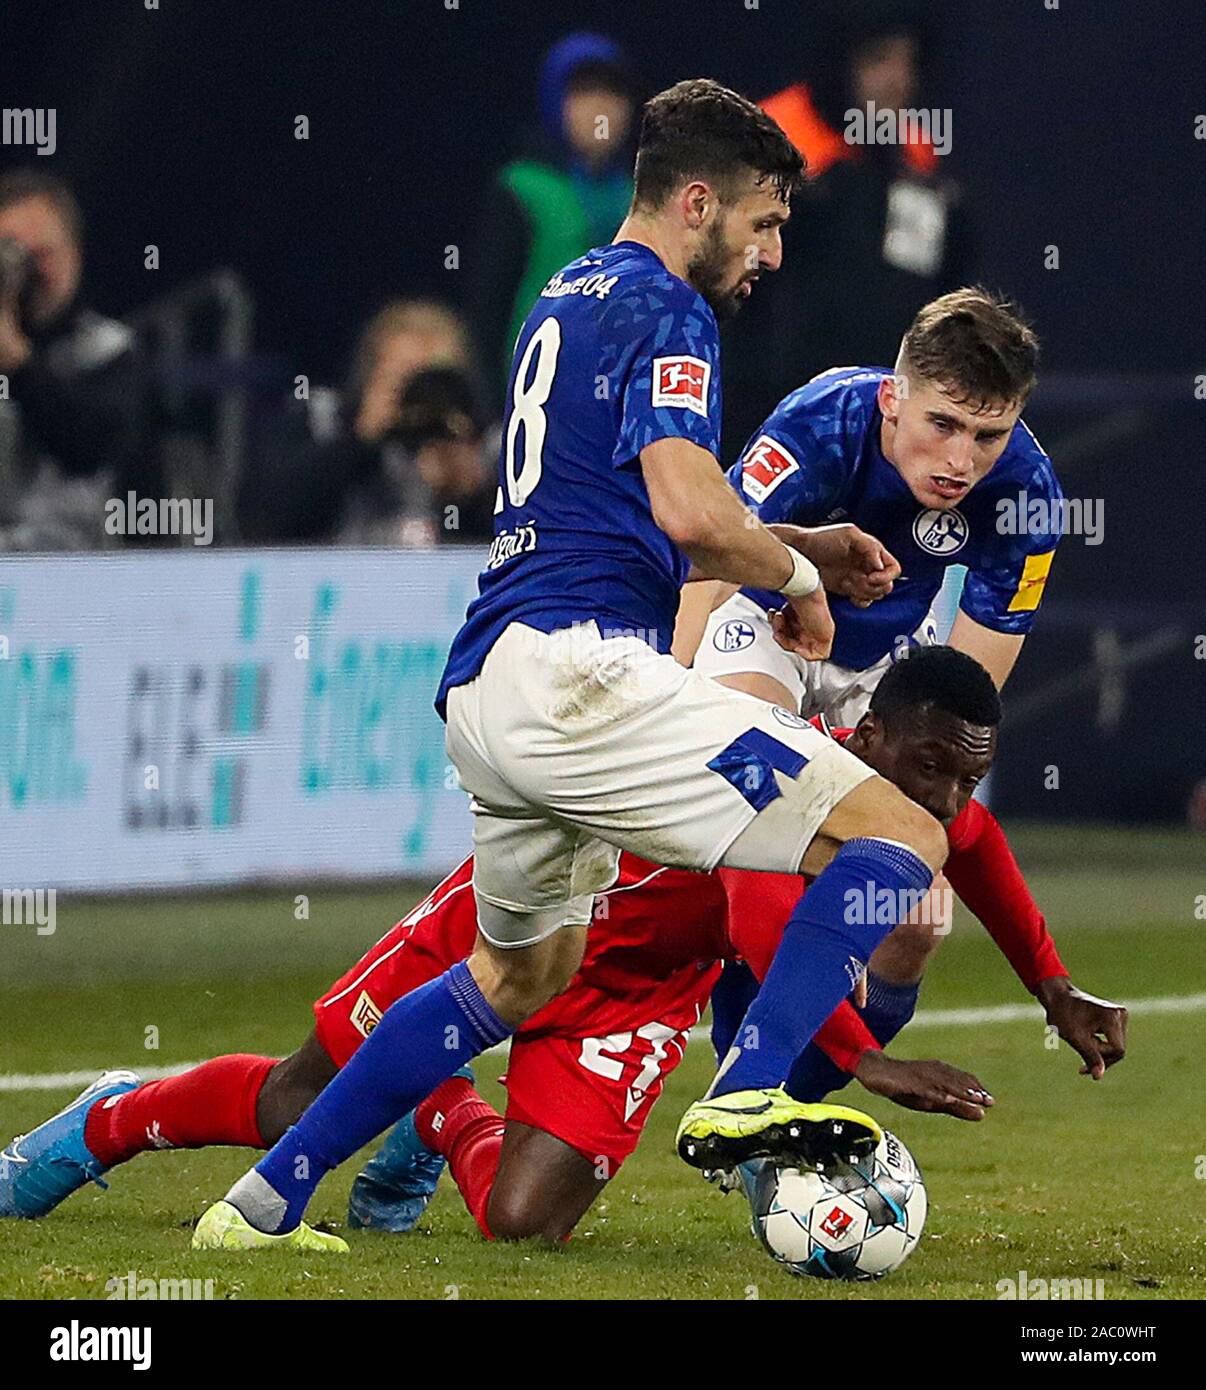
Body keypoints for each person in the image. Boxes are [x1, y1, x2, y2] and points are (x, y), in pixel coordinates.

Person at [192, 76, 965, 1254]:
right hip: (583, 679)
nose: (766, 257)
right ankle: (753, 1085)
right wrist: (797, 582)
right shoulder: (670, 305)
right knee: (908, 840)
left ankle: (263, 1204)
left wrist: (800, 541)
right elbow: (692, 511)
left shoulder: (568, 290)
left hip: (490, 685)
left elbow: (628, 507)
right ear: (697, 204)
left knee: (521, 977)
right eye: (761, 225)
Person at [0, 649, 1127, 1245]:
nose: (948, 795)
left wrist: (1055, 984)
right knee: (299, 1102)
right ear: (867, 736)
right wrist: (868, 1061)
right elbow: (755, 918)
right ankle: (108, 1118)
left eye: (968, 774)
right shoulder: (789, 769)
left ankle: (447, 1113)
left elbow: (975, 849)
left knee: (524, 1222)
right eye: (932, 767)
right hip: (534, 917)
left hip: (633, 994)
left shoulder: (912, 805)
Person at [688, 288, 1060, 723]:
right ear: (891, 400)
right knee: (757, 762)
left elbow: (975, 674)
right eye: (943, 424)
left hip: (890, 649)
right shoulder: (819, 423)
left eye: (989, 436)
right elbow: (707, 558)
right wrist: (654, 693)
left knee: (920, 773)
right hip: (763, 615)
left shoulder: (1027, 493)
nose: (960, 462)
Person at [722, 1, 976, 457]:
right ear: (842, 62)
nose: (900, 79)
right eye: (880, 60)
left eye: (908, 61)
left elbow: (928, 277)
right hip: (768, 404)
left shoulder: (912, 152)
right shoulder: (769, 132)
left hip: (877, 408)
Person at [465, 33, 638, 390]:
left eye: (613, 93)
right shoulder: (521, 187)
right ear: (555, 99)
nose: (600, 107)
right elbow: (487, 309)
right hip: (533, 392)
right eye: (584, 92)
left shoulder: (644, 193)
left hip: (621, 395)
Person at [0, 169, 144, 549]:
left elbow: (87, 449)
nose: (26, 272)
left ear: (74, 256)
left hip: (68, 570)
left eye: (41, 255)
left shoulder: (107, 350)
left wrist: (17, 361)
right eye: (11, 255)